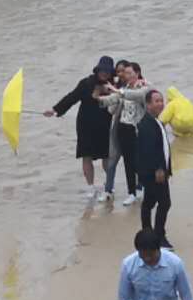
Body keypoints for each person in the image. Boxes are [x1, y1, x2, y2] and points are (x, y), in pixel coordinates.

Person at [44, 56, 118, 201]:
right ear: (97, 70)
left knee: (106, 156)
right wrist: (54, 110)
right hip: (85, 125)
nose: (104, 73)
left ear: (111, 72)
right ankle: (91, 187)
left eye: (107, 71)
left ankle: (109, 185)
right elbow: (71, 98)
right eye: (102, 70)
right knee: (86, 155)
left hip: (105, 125)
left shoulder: (114, 86)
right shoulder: (86, 83)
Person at [99, 62, 151, 205]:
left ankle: (141, 187)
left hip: (136, 130)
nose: (126, 76)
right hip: (122, 128)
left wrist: (117, 91)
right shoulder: (124, 88)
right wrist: (99, 99)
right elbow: (113, 101)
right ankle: (130, 192)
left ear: (137, 73)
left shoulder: (145, 87)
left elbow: (136, 95)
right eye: (125, 73)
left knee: (137, 162)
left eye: (129, 73)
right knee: (126, 162)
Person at [128, 89, 176, 244]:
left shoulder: (155, 121)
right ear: (148, 105)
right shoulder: (146, 124)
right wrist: (159, 169)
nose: (161, 104)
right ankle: (158, 236)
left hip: (156, 171)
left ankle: (148, 234)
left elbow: (161, 147)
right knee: (164, 203)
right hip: (154, 173)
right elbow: (149, 150)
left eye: (161, 101)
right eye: (156, 101)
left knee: (149, 203)